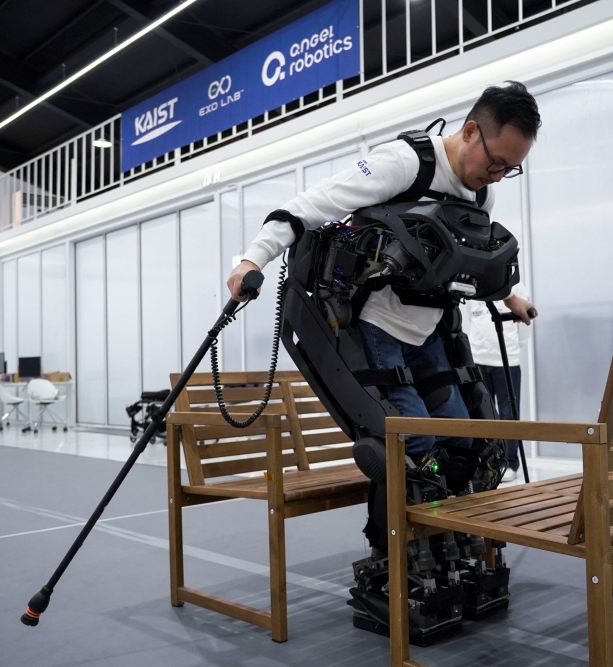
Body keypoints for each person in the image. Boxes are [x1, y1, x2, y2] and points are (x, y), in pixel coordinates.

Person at [228, 82, 540, 540]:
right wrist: (252, 258)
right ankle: (389, 559)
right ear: (471, 131)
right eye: (496, 163)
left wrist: (512, 294)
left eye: (511, 170)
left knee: (463, 439)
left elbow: (473, 255)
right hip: (374, 329)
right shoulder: (405, 163)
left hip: (430, 332)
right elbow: (312, 204)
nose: (497, 175)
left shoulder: (480, 195)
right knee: (411, 444)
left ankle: (448, 549)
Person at [466, 281, 532, 482]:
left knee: (508, 414)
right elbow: (472, 317)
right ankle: (487, 463)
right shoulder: (475, 287)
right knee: (482, 414)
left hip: (507, 361)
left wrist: (516, 348)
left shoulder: (517, 289)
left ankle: (510, 463)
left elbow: (525, 324)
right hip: (478, 359)